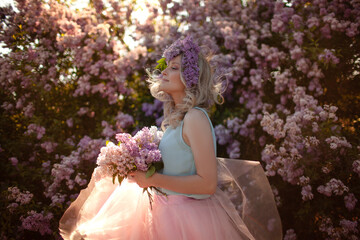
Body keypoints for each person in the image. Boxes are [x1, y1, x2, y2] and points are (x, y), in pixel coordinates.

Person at [59, 35, 282, 240]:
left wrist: (153, 179)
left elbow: (207, 184)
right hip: (163, 212)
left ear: (191, 78)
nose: (164, 72)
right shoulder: (178, 121)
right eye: (166, 67)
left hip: (187, 219)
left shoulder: (195, 117)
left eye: (173, 68)